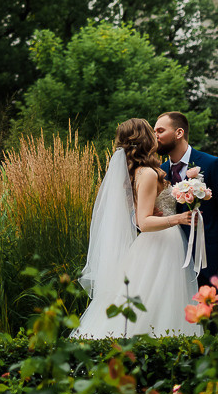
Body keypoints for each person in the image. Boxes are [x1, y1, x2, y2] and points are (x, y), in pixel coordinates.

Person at [75, 118, 197, 338]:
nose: (156, 135)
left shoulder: (139, 172)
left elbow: (135, 216)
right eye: (152, 131)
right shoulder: (148, 174)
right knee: (160, 304)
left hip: (157, 244)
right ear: (144, 138)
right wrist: (178, 218)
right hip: (161, 244)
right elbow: (144, 222)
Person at [154, 112, 218, 288]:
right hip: (171, 264)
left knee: (213, 316)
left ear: (179, 133)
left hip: (210, 264)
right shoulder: (159, 172)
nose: (155, 136)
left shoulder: (212, 164)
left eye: (160, 131)